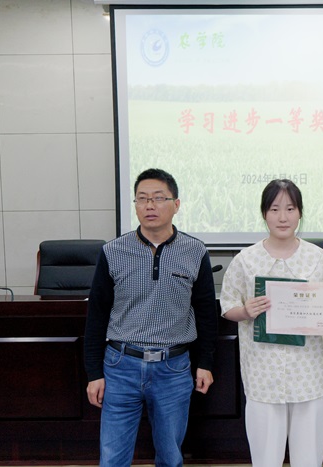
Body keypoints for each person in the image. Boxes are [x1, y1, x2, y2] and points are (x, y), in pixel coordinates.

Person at [84, 168, 218, 467]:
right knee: (112, 459)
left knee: (170, 457)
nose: (149, 205)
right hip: (120, 366)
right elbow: (96, 316)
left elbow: (206, 314)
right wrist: (94, 373)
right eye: (142, 199)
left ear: (176, 204)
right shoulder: (113, 251)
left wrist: (205, 363)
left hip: (173, 368)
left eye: (158, 198)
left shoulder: (195, 251)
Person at [219, 179, 323, 467]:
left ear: (300, 213)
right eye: (274, 209)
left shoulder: (319, 259)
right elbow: (227, 306)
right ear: (264, 213)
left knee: (308, 457)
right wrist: (245, 311)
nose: (283, 217)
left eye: (290, 208)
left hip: (309, 372)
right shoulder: (246, 260)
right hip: (263, 373)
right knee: (265, 457)